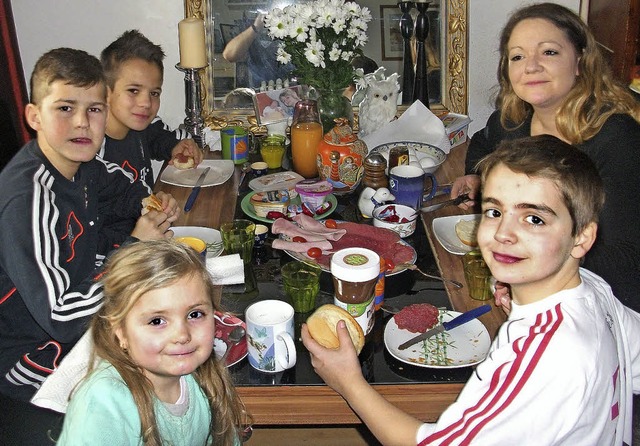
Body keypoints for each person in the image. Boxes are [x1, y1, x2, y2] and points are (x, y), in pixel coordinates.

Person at [302, 135, 640, 445]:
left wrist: (350, 382)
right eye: (494, 211)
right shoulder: (594, 289)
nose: (503, 233)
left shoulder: (545, 357)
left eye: (534, 219)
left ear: (581, 237)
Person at [0, 48, 179, 445]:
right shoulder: (29, 199)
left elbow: (122, 188)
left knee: (184, 330)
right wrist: (133, 247)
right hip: (36, 357)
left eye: (94, 110)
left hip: (84, 316)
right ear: (34, 116)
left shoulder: (82, 166)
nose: (82, 123)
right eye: (65, 108)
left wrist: (152, 202)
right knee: (168, 355)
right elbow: (61, 316)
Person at [450, 3, 640, 312]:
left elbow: (627, 257)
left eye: (549, 52)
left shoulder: (616, 138)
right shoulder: (513, 120)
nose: (531, 66)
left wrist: (533, 275)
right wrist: (475, 175)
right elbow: (484, 145)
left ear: (579, 62)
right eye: (518, 56)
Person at [56, 240, 250, 445]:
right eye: (157, 321)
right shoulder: (104, 405)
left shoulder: (204, 375)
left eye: (195, 314)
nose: (182, 335)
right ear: (120, 332)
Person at [98, 30, 203, 253]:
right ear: (106, 92)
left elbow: (159, 137)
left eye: (154, 93)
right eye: (133, 91)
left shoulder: (141, 124)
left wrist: (176, 146)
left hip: (152, 235)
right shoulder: (91, 149)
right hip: (119, 253)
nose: (146, 102)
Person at [222, 12, 294, 89]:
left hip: (295, 91)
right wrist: (256, 27)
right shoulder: (251, 30)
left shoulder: (293, 26)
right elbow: (229, 55)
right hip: (259, 93)